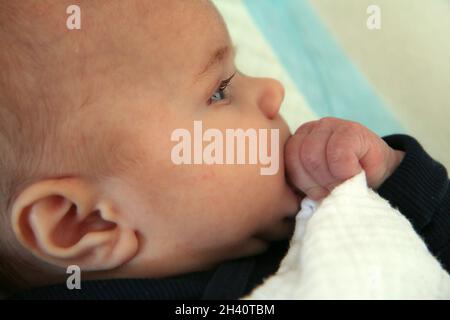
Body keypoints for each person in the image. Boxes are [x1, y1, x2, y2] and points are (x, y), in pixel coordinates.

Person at [0, 0, 448, 299]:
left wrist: (390, 179)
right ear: (83, 223)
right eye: (219, 91)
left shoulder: (323, 229)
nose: (272, 90)